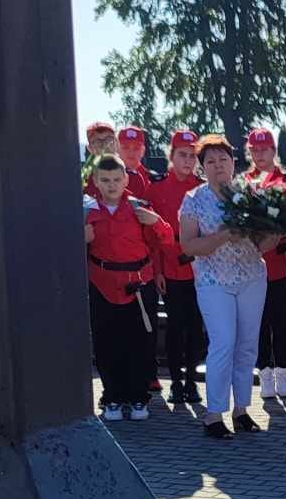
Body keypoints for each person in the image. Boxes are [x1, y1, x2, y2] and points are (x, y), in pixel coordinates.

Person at [178, 134, 275, 438]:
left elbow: (262, 244)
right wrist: (223, 236)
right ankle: (214, 414)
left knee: (247, 345)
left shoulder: (251, 194)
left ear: (234, 163)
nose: (218, 165)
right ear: (202, 167)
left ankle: (241, 410)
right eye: (210, 161)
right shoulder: (194, 199)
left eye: (223, 159)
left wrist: (279, 230)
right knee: (223, 343)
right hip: (214, 280)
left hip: (251, 278)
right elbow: (188, 245)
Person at [84, 154, 172, 421]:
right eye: (105, 180)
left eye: (116, 179)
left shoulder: (139, 208)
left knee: (140, 343)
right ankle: (112, 396)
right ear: (96, 181)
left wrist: (156, 222)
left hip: (138, 284)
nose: (111, 185)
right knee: (106, 342)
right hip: (102, 283)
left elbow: (166, 240)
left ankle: (138, 397)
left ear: (125, 180)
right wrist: (80, 238)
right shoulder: (87, 211)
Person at [148, 128, 205, 406]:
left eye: (192, 156)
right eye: (182, 155)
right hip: (170, 268)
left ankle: (192, 381)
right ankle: (175, 382)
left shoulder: (203, 189)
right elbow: (152, 238)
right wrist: (158, 270)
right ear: (171, 156)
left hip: (199, 269)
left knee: (196, 326)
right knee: (175, 326)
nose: (187, 161)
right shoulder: (157, 189)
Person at [245, 126, 286, 402]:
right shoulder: (243, 184)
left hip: (282, 265)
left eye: (264, 149)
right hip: (253, 264)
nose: (260, 154)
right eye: (254, 150)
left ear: (274, 151)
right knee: (259, 322)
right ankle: (264, 374)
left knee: (281, 321)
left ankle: (283, 375)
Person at [115, 126, 154, 200]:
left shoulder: (152, 180)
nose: (131, 152)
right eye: (125, 147)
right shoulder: (105, 176)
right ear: (117, 149)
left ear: (143, 151)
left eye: (136, 148)